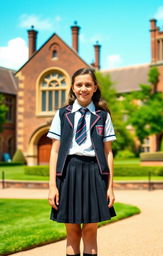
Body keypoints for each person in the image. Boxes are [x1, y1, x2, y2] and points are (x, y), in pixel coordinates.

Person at [47, 68, 116, 256]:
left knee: (91, 229)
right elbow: (54, 151)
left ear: (95, 87)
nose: (83, 88)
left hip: (95, 173)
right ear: (72, 88)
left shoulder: (103, 116)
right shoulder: (62, 114)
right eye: (79, 84)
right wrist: (52, 186)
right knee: (72, 230)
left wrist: (110, 187)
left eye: (88, 84)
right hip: (68, 172)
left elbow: (108, 153)